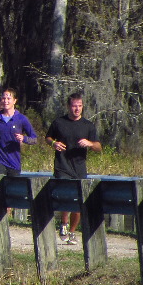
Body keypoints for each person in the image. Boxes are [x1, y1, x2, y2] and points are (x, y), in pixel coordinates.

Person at [45, 92, 102, 245]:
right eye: (74, 106)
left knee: (78, 202)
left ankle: (72, 232)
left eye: (79, 106)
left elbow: (98, 147)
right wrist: (53, 144)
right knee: (66, 197)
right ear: (68, 106)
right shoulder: (59, 123)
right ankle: (63, 224)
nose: (77, 109)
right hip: (62, 166)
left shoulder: (88, 125)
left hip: (79, 168)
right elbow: (48, 137)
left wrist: (90, 144)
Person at [0, 88, 37, 176]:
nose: (5, 101)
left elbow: (34, 139)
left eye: (8, 98)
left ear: (14, 101)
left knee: (11, 187)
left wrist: (24, 138)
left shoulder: (21, 119)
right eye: (3, 98)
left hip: (14, 162)